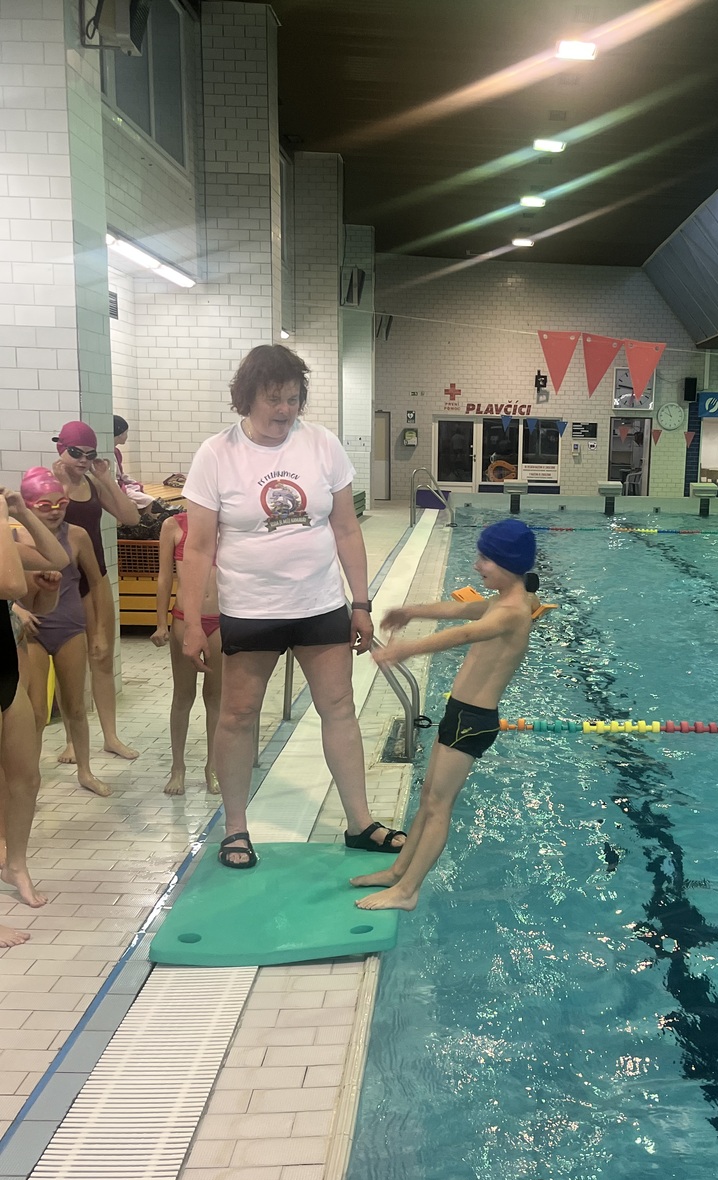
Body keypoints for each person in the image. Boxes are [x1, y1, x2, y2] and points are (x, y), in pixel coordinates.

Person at [179, 343, 406, 869]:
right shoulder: (217, 454)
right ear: (247, 398)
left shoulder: (322, 444)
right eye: (273, 399)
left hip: (319, 603)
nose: (284, 410)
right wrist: (192, 622)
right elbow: (198, 547)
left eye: (293, 399)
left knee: (339, 708)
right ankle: (236, 828)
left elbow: (346, 529)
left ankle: (360, 823)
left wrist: (361, 602)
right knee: (238, 715)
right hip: (250, 608)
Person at [351, 519, 537, 912]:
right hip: (460, 713)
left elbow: (465, 634)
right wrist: (410, 611)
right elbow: (457, 609)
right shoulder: (500, 602)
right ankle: (398, 872)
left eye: (485, 559)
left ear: (508, 562)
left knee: (439, 806)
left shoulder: (513, 611)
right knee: (428, 798)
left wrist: (407, 649)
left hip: (473, 720)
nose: (477, 565)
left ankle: (408, 891)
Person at [0, 485, 72, 941]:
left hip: (6, 667)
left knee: (26, 776)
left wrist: (22, 512)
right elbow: (10, 586)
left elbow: (57, 558)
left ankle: (16, 864)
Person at [17, 469, 113, 796]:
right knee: (36, 712)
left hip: (70, 627)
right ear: (28, 506)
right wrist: (17, 610)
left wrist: (98, 632)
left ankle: (85, 771)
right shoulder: (15, 538)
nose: (55, 511)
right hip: (31, 631)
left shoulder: (77, 536)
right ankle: (30, 778)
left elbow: (96, 582)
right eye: (45, 505)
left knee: (76, 707)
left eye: (61, 503)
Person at [52, 420, 140, 761]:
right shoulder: (45, 483)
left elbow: (131, 517)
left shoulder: (92, 482)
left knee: (102, 659)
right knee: (69, 667)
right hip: (62, 584)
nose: (83, 460)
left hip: (96, 578)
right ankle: (72, 740)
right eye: (76, 453)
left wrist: (106, 479)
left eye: (90, 455)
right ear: (61, 448)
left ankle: (111, 737)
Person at [151, 511, 222, 796]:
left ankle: (213, 766)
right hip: (184, 618)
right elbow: (164, 577)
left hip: (222, 619)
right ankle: (177, 767)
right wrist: (160, 623)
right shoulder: (173, 526)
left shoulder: (229, 522)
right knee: (183, 695)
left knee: (216, 697)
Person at [113, 414, 154, 512]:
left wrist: (134, 482)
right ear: (120, 434)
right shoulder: (110, 454)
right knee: (150, 501)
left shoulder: (116, 451)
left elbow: (122, 475)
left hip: (121, 485)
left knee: (141, 492)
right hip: (116, 489)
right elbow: (114, 479)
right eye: (126, 433)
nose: (127, 436)